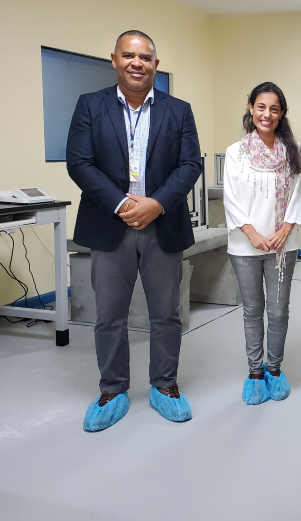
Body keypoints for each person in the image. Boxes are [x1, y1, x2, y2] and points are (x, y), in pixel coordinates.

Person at [66, 30, 202, 432]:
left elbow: (190, 165)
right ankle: (112, 389)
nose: (136, 63)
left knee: (166, 314)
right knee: (109, 315)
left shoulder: (179, 111)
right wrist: (123, 204)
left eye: (145, 57)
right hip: (111, 225)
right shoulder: (90, 105)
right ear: (114, 59)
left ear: (156, 65)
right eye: (128, 55)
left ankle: (165, 385)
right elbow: (79, 162)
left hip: (163, 224)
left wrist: (156, 204)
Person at [222, 82, 301, 405]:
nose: (267, 114)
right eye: (261, 107)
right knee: (252, 310)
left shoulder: (293, 150)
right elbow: (231, 198)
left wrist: (284, 230)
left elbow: (298, 194)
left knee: (279, 309)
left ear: (282, 113)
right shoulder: (236, 152)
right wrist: (252, 234)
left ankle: (274, 369)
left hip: (282, 246)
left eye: (274, 108)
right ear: (251, 108)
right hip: (245, 246)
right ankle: (255, 372)